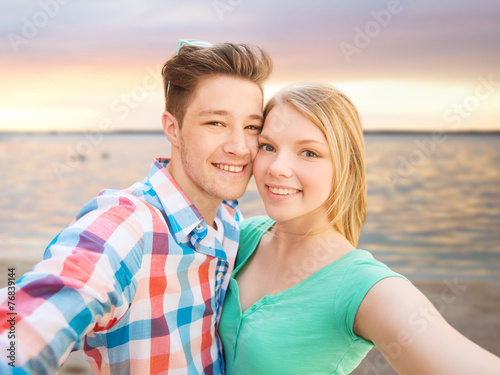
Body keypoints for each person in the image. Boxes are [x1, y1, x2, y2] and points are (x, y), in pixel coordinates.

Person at [0, 40, 272, 374]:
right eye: (215, 123)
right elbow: (23, 324)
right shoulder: (129, 226)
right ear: (173, 128)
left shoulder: (230, 222)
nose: (240, 147)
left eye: (252, 127)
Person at [218, 83, 500, 374]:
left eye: (309, 153)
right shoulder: (241, 236)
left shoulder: (362, 286)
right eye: (268, 147)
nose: (277, 167)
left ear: (346, 169)